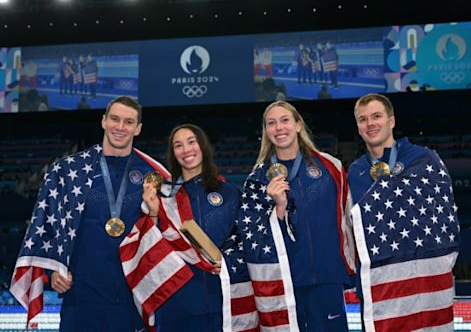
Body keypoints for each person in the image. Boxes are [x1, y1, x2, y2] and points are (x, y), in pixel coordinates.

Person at [10, 96, 158, 331]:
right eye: (115, 119)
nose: (120, 127)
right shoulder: (70, 170)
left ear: (138, 128)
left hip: (132, 299)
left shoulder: (154, 175)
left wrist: (155, 213)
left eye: (128, 122)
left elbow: (162, 235)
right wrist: (54, 269)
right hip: (81, 297)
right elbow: (49, 226)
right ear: (103, 121)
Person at [130, 124, 259, 331]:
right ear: (173, 154)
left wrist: (229, 262)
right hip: (177, 301)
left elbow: (247, 240)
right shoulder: (162, 195)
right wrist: (153, 212)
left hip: (222, 298)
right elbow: (148, 247)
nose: (186, 150)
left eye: (191, 142)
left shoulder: (230, 192)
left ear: (203, 146)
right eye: (178, 145)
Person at [348, 93, 460, 331]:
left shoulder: (423, 159)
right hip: (379, 286)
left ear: (391, 121)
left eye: (377, 116)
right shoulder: (355, 171)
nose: (370, 124)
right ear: (358, 127)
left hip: (423, 282)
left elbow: (444, 217)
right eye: (363, 119)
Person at [240, 101, 356, 331]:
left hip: (327, 277)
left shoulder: (330, 166)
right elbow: (252, 237)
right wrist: (280, 209)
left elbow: (348, 220)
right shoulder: (257, 178)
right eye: (271, 123)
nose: (279, 128)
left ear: (298, 125)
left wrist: (350, 269)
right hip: (284, 282)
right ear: (266, 131)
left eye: (285, 120)